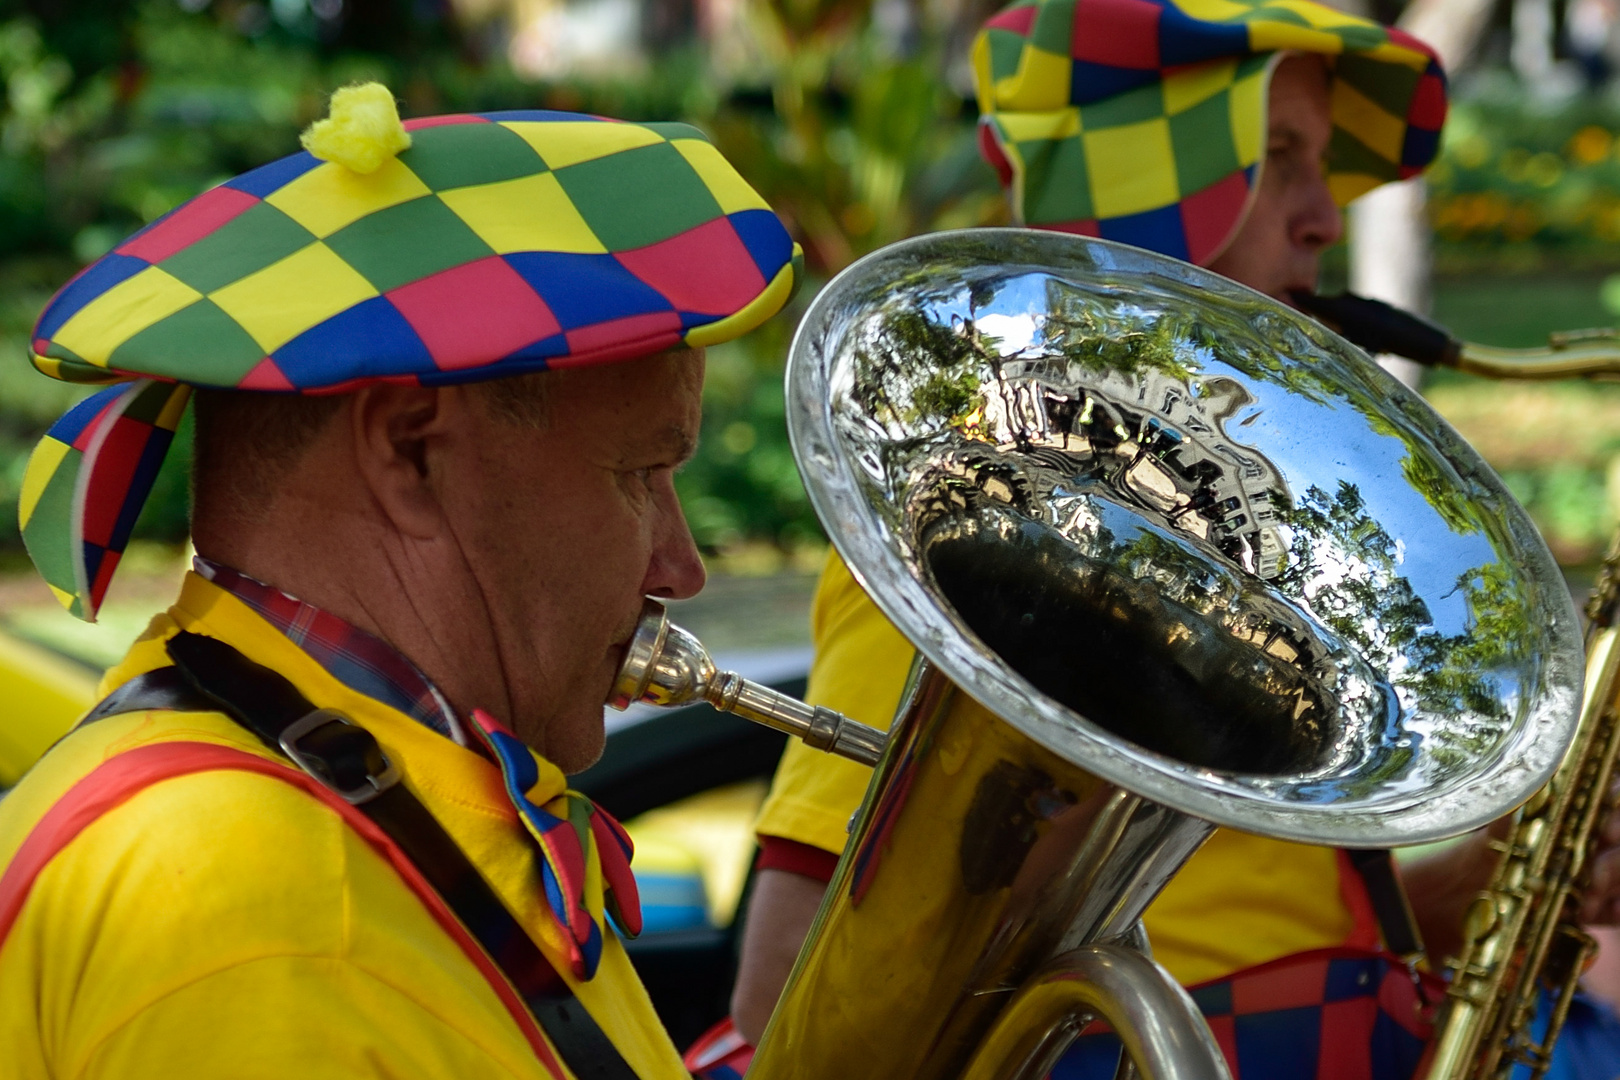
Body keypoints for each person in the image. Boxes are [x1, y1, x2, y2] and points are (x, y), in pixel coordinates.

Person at [684, 3, 1618, 1078]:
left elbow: (1259, 933)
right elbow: (794, 994)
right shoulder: (989, 524)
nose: (1323, 217)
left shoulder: (1247, 540)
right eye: (1278, 158)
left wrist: (1494, 882)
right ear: (1153, 196)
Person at [0, 83, 801, 1078]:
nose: (680, 569)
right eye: (641, 474)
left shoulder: (305, 836)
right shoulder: (268, 906)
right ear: (411, 452)